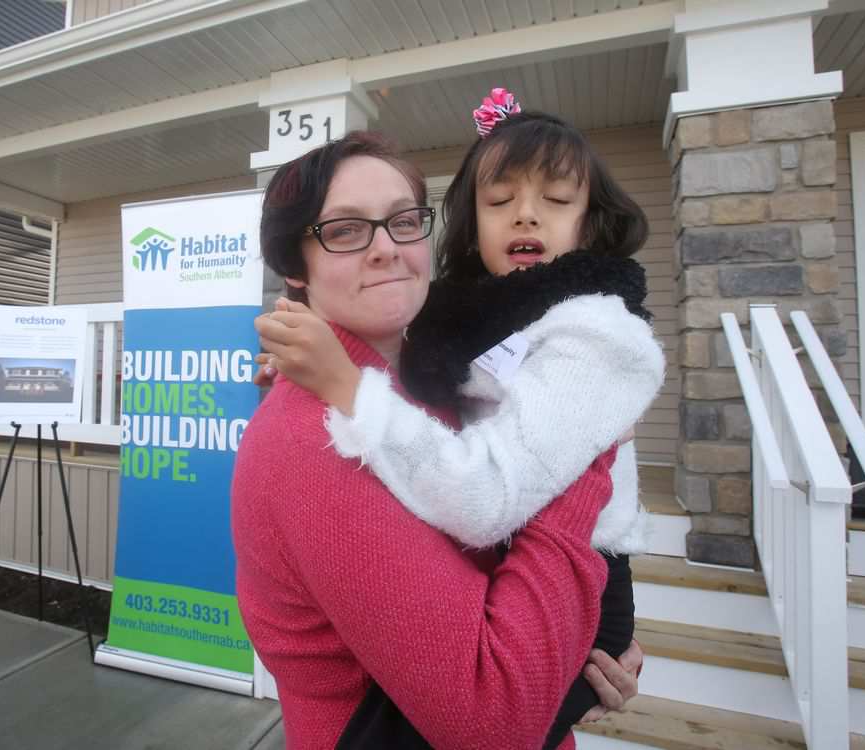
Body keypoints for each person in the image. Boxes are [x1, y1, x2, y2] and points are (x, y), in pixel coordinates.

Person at [252, 91, 665, 748]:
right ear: (294, 270)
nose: (386, 249)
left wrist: (575, 629)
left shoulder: (442, 357)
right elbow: (494, 718)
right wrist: (595, 461)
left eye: (403, 221)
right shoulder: (317, 437)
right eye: (346, 230)